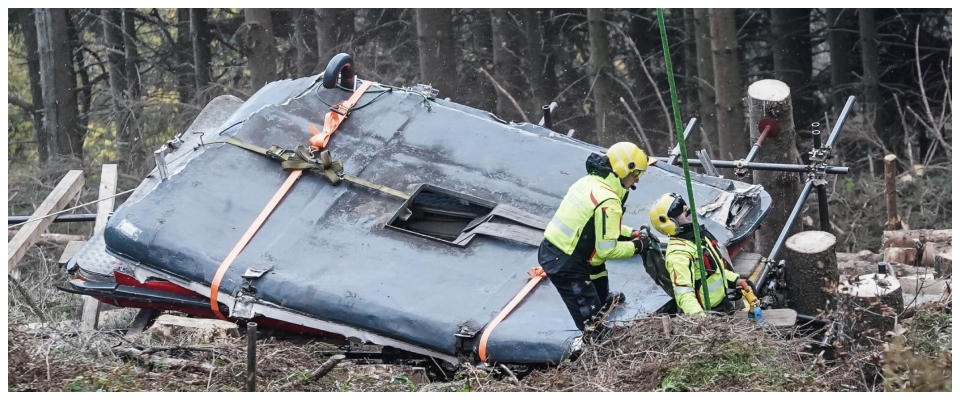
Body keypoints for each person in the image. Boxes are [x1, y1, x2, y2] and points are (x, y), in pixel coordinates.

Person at [538, 142, 649, 333]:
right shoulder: (609, 200)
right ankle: (595, 332)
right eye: (636, 174)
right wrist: (637, 246)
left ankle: (601, 298)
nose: (637, 180)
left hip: (559, 248)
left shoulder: (589, 181)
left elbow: (600, 224)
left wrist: (629, 233)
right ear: (625, 170)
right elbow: (608, 248)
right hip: (566, 264)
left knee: (597, 267)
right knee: (593, 328)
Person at [648, 192, 752, 315]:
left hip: (723, 305)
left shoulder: (699, 238)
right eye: (676, 209)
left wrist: (736, 281)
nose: (685, 208)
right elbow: (684, 294)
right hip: (709, 313)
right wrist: (701, 320)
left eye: (682, 203)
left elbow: (714, 274)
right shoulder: (679, 254)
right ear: (669, 222)